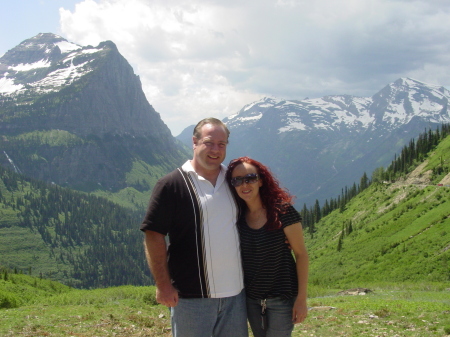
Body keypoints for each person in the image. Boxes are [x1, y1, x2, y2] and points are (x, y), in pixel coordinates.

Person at [140, 118, 248, 337]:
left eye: (222, 144)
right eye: (209, 142)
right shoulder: (172, 184)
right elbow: (154, 235)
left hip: (236, 296)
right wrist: (163, 285)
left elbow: (255, 216)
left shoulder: (235, 181)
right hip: (190, 298)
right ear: (194, 142)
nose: (216, 150)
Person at [226, 156, 309, 337]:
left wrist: (301, 299)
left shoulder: (282, 211)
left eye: (250, 178)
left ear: (261, 181)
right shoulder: (237, 216)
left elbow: (301, 254)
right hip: (251, 299)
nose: (244, 184)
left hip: (282, 298)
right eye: (237, 180)